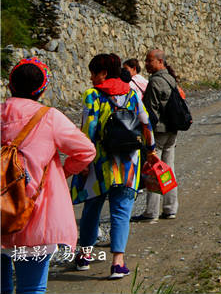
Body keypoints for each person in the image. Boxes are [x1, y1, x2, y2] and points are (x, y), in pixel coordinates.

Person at [2, 58, 96, 294]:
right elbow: (86, 150)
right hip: (34, 216)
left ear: (11, 84)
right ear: (41, 89)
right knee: (32, 288)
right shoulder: (49, 117)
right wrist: (64, 170)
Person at [70, 53, 154, 280]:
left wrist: (83, 161)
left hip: (99, 164)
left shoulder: (93, 96)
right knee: (121, 211)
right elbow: (145, 123)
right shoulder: (132, 94)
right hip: (127, 163)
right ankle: (118, 262)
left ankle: (84, 256)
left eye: (93, 72)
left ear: (103, 73)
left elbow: (88, 130)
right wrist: (151, 150)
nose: (91, 77)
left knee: (91, 210)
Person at [136, 49, 178, 223]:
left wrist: (146, 136)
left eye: (149, 61)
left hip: (159, 132)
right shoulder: (170, 78)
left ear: (160, 61)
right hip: (172, 130)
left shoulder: (154, 82)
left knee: (154, 170)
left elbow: (149, 112)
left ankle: (151, 211)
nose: (146, 64)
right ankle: (170, 208)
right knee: (168, 168)